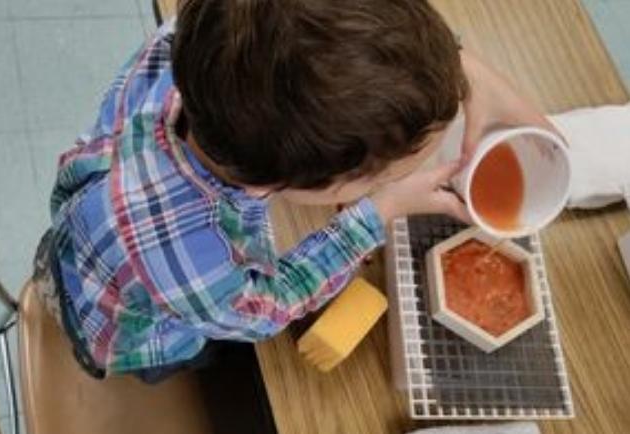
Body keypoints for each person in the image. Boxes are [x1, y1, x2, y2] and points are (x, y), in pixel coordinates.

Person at [32, 0, 554, 383]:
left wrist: (458, 65)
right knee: (196, 354)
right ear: (324, 190)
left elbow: (327, 38)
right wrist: (378, 212)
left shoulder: (212, 35)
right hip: (120, 318)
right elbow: (272, 307)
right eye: (385, 172)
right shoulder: (199, 263)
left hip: (103, 208)